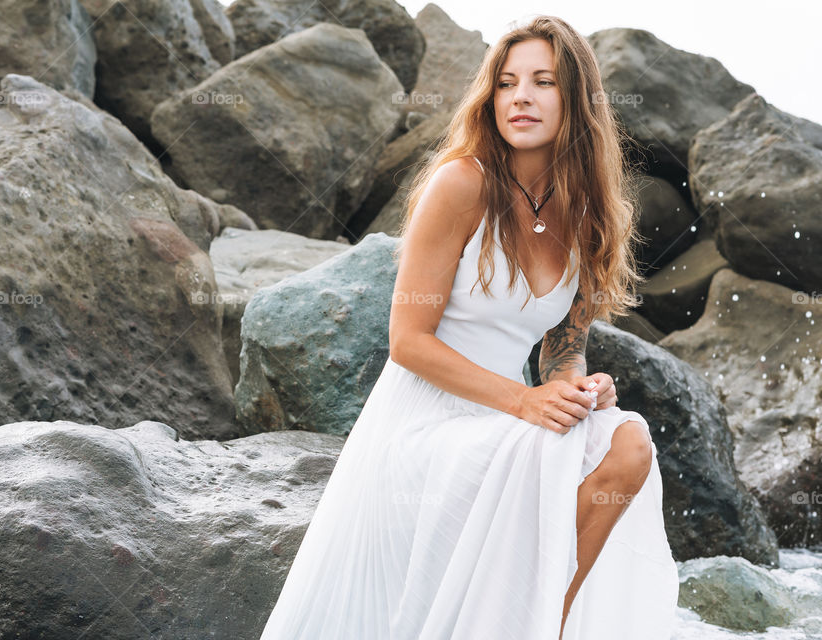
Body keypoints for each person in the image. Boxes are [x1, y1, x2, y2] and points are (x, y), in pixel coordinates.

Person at [259, 15, 679, 640]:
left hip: (500, 419)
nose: (520, 97)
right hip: (422, 427)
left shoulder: (588, 216)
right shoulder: (462, 184)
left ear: (577, 100)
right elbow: (407, 342)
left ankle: (546, 619)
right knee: (565, 454)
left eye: (543, 82)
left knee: (627, 442)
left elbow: (562, 352)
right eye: (506, 83)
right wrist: (525, 402)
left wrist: (578, 388)